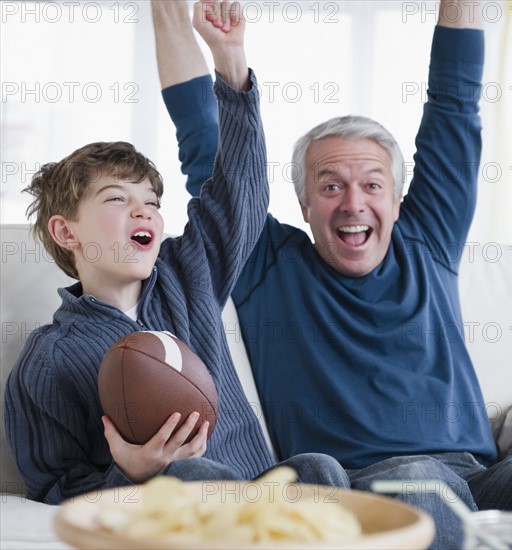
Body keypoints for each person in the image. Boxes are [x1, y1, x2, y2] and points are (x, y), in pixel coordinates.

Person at [153, 0, 512, 548]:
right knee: (419, 482)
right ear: (304, 201)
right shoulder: (264, 261)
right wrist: (178, 20)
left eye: (371, 184)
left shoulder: (426, 240)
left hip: (478, 477)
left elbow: (455, 104)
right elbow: (204, 142)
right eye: (331, 185)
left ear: (398, 197)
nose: (353, 203)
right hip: (359, 487)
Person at [3, 0, 350, 505]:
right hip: (173, 514)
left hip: (262, 500)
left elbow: (241, 196)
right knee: (186, 475)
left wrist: (231, 63)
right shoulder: (48, 358)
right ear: (66, 232)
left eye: (152, 202)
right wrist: (131, 471)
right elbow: (55, 489)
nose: (144, 212)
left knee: (320, 467)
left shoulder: (188, 275)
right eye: (118, 199)